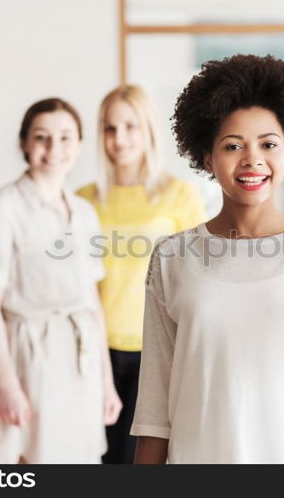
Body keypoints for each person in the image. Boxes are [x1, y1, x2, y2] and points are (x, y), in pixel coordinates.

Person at [131, 54, 284, 464]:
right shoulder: (171, 257)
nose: (252, 159)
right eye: (233, 146)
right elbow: (155, 410)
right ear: (207, 159)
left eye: (268, 144)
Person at [0, 98, 122, 463]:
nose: (54, 148)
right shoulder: (2, 208)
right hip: (29, 357)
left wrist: (106, 384)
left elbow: (92, 302)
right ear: (24, 143)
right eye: (42, 137)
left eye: (65, 137)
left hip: (82, 360)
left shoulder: (85, 212)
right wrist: (9, 386)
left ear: (78, 144)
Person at [77, 85, 205, 463]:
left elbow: (196, 280)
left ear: (148, 129)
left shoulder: (179, 196)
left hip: (158, 349)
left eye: (130, 126)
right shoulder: (83, 200)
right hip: (96, 351)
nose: (120, 139)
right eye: (110, 128)